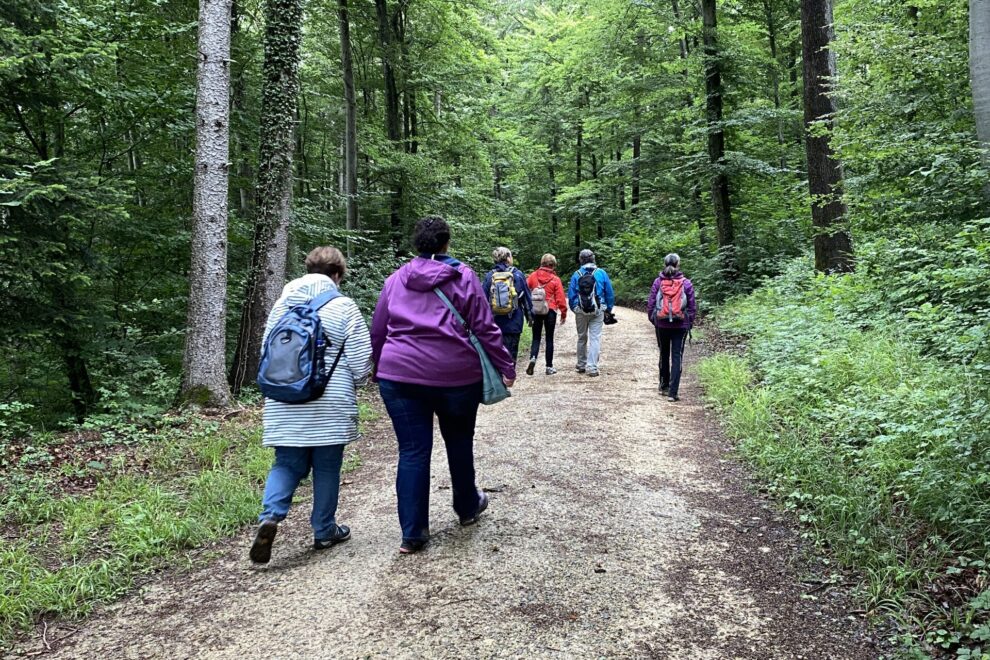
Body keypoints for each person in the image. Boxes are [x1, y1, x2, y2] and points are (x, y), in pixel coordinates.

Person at [371, 217, 516, 554]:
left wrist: (381, 367)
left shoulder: (395, 279)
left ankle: (413, 533)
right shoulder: (462, 276)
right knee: (459, 441)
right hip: (456, 376)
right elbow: (484, 326)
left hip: (400, 376)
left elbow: (378, 329)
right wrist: (505, 365)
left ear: (417, 244)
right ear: (446, 242)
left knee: (412, 451)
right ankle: (467, 508)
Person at [249, 246, 373, 564]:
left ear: (308, 270)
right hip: (330, 402)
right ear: (338, 274)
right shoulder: (343, 306)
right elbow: (361, 361)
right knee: (327, 466)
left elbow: (267, 351)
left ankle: (271, 516)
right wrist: (358, 382)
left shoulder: (282, 304)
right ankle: (324, 529)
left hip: (284, 399)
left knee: (286, 464)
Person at [647, 253, 697, 402]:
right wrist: (688, 323)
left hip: (661, 324)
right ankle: (673, 393)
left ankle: (664, 386)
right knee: (677, 356)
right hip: (680, 325)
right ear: (678, 264)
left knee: (664, 353)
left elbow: (651, 303)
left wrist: (655, 320)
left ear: (665, 264)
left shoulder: (658, 282)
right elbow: (692, 306)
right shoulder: (686, 283)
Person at [567, 249, 616, 377]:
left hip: (580, 310)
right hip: (598, 310)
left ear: (581, 260)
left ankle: (581, 364)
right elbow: (609, 293)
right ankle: (592, 367)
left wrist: (575, 309)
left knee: (581, 337)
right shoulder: (601, 273)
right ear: (593, 259)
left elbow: (571, 295)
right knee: (595, 338)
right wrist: (608, 309)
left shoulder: (576, 274)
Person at [483, 247, 533, 361]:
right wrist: (530, 317)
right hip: (513, 322)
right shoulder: (517, 275)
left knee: (496, 357)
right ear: (508, 258)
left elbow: (482, 300)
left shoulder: (489, 276)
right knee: (511, 356)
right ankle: (510, 371)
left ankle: (499, 372)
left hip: (494, 324)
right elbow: (526, 298)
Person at [525, 253, 567, 376]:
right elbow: (561, 298)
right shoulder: (555, 279)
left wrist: (528, 309)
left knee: (536, 337)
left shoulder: (533, 276)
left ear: (542, 263)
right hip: (550, 310)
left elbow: (526, 291)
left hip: (536, 310)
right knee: (549, 338)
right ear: (553, 265)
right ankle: (549, 367)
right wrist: (563, 313)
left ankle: (533, 357)